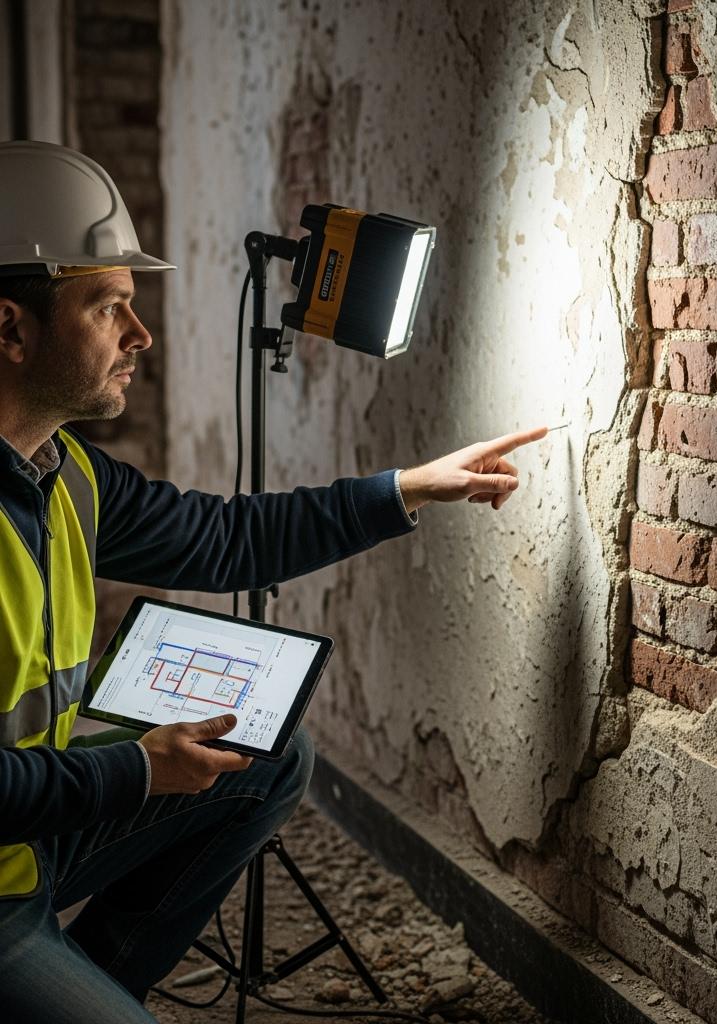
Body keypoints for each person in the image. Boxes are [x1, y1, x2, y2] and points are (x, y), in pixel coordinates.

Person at [0, 140, 546, 1022]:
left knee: (265, 757)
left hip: (27, 849)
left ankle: (88, 987)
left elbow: (225, 538)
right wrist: (137, 773)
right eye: (110, 308)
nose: (141, 336)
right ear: (10, 329)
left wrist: (402, 489)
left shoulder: (64, 474)